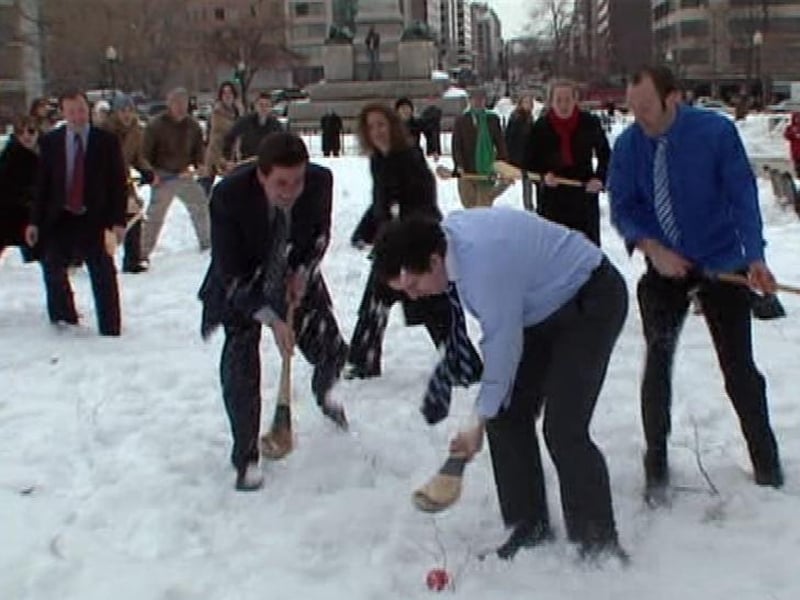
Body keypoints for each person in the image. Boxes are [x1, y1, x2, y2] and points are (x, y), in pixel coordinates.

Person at [372, 209, 628, 561]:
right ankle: (528, 528)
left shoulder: (482, 265)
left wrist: (476, 421)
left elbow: (502, 346)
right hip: (538, 310)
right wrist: (485, 414)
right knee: (506, 413)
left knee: (564, 427)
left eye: (414, 286)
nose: (414, 297)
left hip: (590, 299)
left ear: (434, 261)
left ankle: (599, 546)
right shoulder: (448, 248)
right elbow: (503, 351)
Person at [607, 66, 784, 501]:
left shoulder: (715, 133)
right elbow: (622, 206)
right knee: (658, 360)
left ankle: (766, 462)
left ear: (673, 99)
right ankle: (657, 461)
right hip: (666, 269)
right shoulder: (629, 146)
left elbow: (743, 195)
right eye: (634, 110)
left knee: (739, 367)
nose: (640, 118)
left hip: (722, 263)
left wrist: (754, 256)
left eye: (646, 108)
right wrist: (652, 248)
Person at [198, 132, 349, 491]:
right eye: (280, 183)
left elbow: (319, 237)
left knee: (333, 349)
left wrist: (303, 273)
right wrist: (272, 318)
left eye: (297, 180)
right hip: (243, 282)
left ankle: (325, 392)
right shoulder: (228, 196)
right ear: (261, 175)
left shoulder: (319, 181)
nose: (290, 190)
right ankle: (246, 455)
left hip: (292, 270)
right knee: (241, 366)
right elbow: (230, 272)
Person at [345, 103, 449, 380]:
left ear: (392, 125)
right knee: (374, 305)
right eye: (371, 127)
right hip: (391, 245)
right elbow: (381, 203)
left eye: (381, 124)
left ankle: (458, 359)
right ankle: (363, 361)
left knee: (430, 304)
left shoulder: (409, 157)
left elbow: (425, 202)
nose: (377, 131)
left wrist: (406, 233)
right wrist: (365, 230)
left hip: (416, 242)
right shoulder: (379, 160)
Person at [25, 89, 127, 336]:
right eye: (71, 111)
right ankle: (63, 320)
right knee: (52, 266)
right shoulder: (51, 142)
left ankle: (110, 326)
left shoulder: (106, 141)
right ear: (63, 113)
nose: (77, 116)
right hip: (61, 216)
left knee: (102, 270)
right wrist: (34, 222)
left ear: (88, 110)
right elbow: (43, 185)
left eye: (81, 110)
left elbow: (117, 183)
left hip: (95, 217)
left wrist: (118, 221)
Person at [526, 80, 609, 246]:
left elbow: (605, 155)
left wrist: (599, 179)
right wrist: (543, 177)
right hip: (552, 198)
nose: (564, 105)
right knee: (553, 251)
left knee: (585, 252)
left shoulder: (589, 123)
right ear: (551, 102)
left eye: (568, 99)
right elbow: (529, 162)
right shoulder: (540, 127)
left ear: (575, 100)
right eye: (559, 100)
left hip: (583, 195)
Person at [141, 87, 210, 265]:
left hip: (183, 174)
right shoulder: (155, 125)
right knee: (156, 215)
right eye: (176, 103)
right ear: (169, 104)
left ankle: (207, 244)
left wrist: (200, 165)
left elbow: (198, 150)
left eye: (184, 103)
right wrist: (151, 174)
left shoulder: (193, 126)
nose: (180, 107)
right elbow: (144, 155)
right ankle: (142, 253)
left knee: (200, 204)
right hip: (163, 175)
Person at [102, 94, 156, 273]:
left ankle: (132, 261)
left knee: (134, 216)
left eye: (129, 111)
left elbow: (137, 157)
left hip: (123, 182)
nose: (126, 115)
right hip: (103, 182)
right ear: (115, 113)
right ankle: (89, 257)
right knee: (101, 221)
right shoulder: (104, 131)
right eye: (122, 111)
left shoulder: (136, 131)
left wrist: (146, 171)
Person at [452, 87, 509, 208]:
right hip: (467, 171)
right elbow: (456, 146)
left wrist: (502, 166)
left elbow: (500, 144)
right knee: (469, 206)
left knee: (484, 207)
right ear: (470, 101)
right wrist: (459, 165)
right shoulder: (462, 120)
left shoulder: (492, 119)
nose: (478, 102)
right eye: (474, 99)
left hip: (487, 172)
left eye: (481, 99)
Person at [0, 116, 40, 263]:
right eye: (20, 132)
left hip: (31, 216)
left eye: (30, 131)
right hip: (13, 215)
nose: (26, 136)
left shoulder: (44, 153)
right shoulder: (11, 156)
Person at [200, 81, 243, 194]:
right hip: (217, 155)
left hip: (233, 155)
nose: (227, 96)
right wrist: (221, 160)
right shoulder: (217, 113)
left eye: (230, 93)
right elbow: (216, 139)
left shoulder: (238, 112)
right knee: (207, 185)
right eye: (224, 93)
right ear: (221, 96)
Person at [222, 91, 283, 164]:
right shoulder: (245, 121)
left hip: (269, 162)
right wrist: (228, 158)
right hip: (247, 161)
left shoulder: (275, 124)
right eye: (261, 105)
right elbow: (230, 137)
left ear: (271, 108)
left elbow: (282, 144)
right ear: (255, 106)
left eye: (267, 105)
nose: (263, 108)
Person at [504, 96, 535, 211]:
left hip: (527, 157)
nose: (529, 105)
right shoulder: (516, 118)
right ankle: (489, 196)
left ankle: (529, 206)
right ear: (521, 104)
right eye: (527, 102)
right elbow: (509, 138)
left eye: (531, 102)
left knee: (528, 181)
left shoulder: (530, 118)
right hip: (517, 156)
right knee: (507, 180)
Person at [783, 111, 800, 178]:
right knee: (797, 165)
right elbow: (786, 135)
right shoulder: (791, 127)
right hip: (795, 150)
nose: (797, 120)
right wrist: (794, 135)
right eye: (796, 118)